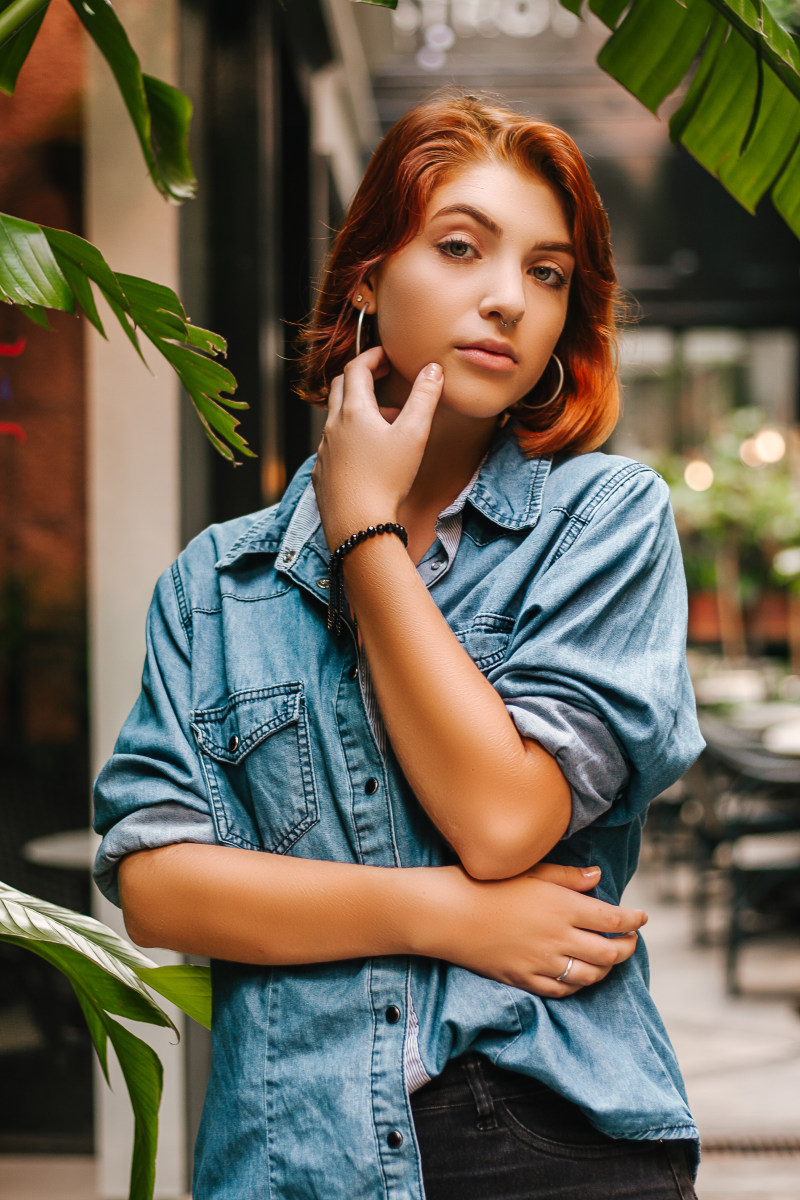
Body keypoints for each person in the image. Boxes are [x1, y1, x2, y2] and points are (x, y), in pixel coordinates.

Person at [93, 92, 704, 1200]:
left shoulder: (604, 519)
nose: (508, 299)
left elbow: (504, 816)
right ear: (369, 274)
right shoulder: (215, 584)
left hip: (543, 1135)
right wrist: (446, 916)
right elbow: (157, 885)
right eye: (461, 247)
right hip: (292, 1159)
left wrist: (362, 529)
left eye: (548, 272)